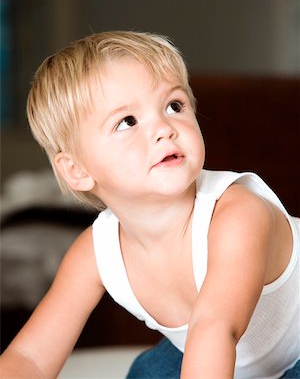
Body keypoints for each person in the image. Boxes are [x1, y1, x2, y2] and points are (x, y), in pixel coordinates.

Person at [1, 31, 299, 379]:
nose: (164, 128)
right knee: (148, 372)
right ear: (77, 170)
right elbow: (30, 358)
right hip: (226, 356)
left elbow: (215, 328)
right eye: (127, 121)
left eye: (174, 105)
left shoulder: (238, 213)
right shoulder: (95, 253)